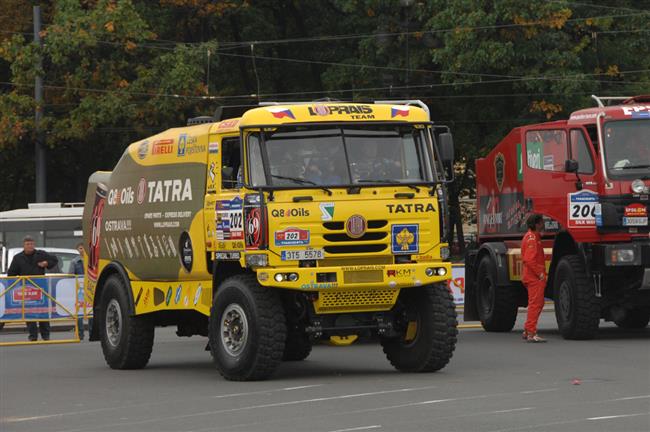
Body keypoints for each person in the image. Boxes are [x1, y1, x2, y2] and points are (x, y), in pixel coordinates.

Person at [7, 236, 59, 341]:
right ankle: (33, 335)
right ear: (24, 245)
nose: (30, 246)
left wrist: (46, 263)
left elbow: (55, 259)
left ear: (34, 244)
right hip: (26, 290)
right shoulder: (18, 258)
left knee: (43, 311)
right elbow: (11, 274)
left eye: (31, 244)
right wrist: (16, 286)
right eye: (27, 244)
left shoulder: (41, 254)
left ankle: (46, 335)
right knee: (29, 312)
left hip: (41, 289)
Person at [521, 214, 547, 343]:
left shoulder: (533, 236)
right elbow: (529, 260)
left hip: (532, 276)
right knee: (535, 304)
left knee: (537, 303)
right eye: (542, 222)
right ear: (537, 224)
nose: (544, 224)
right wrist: (540, 274)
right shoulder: (532, 238)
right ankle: (531, 332)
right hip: (534, 278)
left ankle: (528, 330)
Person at [71, 243, 92, 340]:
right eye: (80, 248)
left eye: (83, 248)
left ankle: (92, 333)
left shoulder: (92, 260)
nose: (82, 250)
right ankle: (80, 334)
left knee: (91, 311)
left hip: (90, 289)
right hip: (79, 290)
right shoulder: (74, 261)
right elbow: (70, 275)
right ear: (77, 249)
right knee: (79, 312)